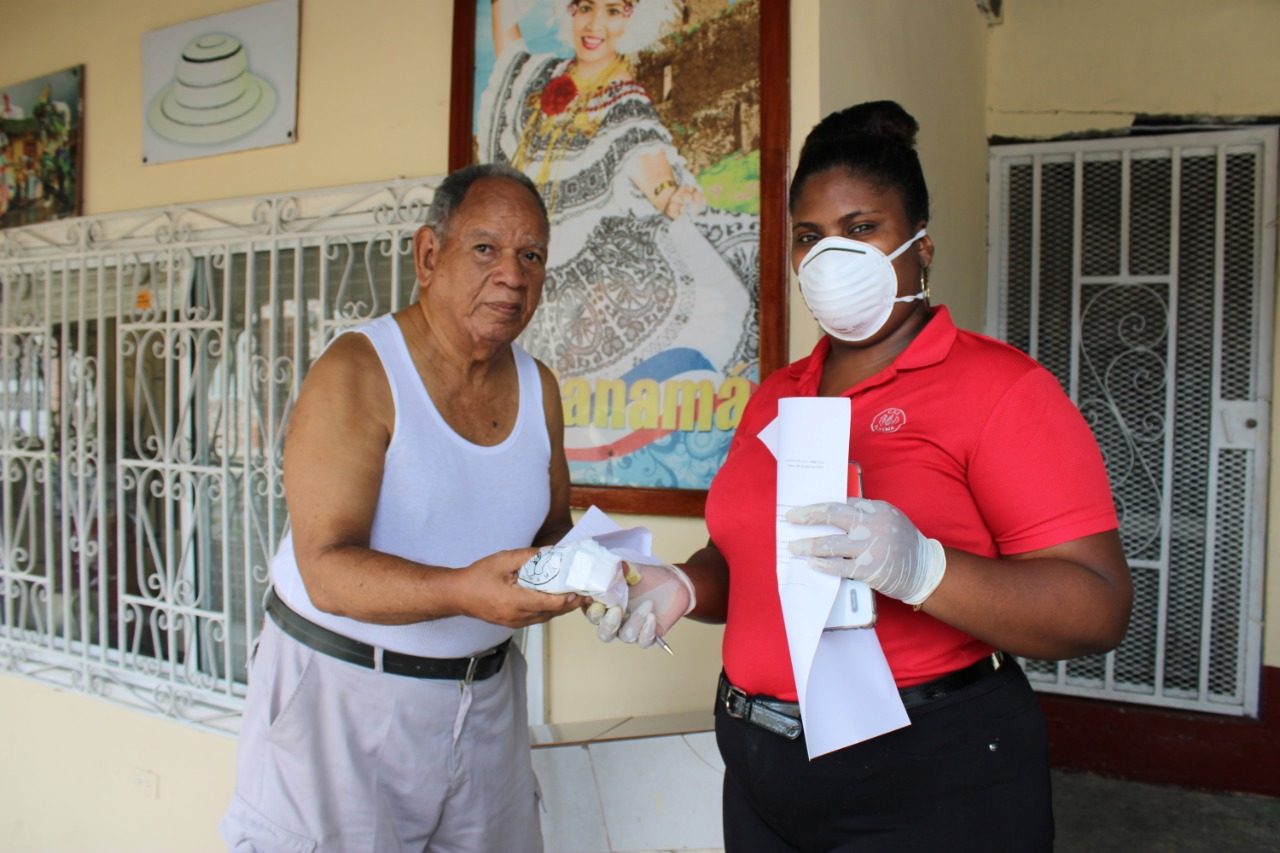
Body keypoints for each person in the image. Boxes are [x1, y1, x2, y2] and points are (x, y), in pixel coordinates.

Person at [601, 101, 1133, 850]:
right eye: (809, 237)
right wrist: (684, 585)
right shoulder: (777, 394)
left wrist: (922, 568)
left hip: (928, 772)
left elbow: (1098, 606)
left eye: (861, 229)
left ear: (922, 246)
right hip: (761, 765)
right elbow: (750, 556)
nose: (830, 258)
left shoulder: (1001, 389)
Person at [219, 163, 585, 852]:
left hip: (486, 704)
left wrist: (606, 573)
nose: (512, 274)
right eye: (486, 248)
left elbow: (552, 528)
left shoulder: (540, 388)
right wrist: (462, 592)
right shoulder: (359, 371)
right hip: (345, 701)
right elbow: (325, 569)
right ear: (427, 255)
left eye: (531, 255)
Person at [477, 0, 756, 486]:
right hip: (535, 270)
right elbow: (508, 44)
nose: (594, 26)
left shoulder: (626, 99)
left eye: (612, 12)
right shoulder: (545, 76)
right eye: (585, 9)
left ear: (630, 21)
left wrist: (672, 196)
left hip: (587, 268)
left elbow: (650, 164)